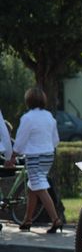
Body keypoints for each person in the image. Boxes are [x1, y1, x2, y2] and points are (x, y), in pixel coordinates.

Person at [4, 88, 61, 233]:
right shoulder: (49, 116)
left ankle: (56, 219)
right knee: (33, 187)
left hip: (35, 156)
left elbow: (21, 139)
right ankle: (27, 220)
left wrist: (13, 156)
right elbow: (55, 140)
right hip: (48, 155)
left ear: (28, 101)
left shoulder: (27, 118)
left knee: (40, 187)